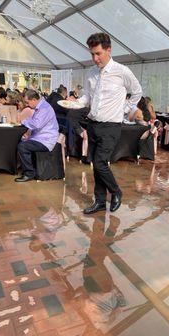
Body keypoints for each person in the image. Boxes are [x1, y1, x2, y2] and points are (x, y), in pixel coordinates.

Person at [71, 32, 142, 214]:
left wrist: (125, 109)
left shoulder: (122, 71)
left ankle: (116, 191)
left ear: (108, 50)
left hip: (111, 126)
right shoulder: (91, 72)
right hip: (93, 124)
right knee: (96, 165)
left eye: (98, 54)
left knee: (101, 162)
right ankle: (100, 201)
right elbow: (87, 95)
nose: (95, 58)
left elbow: (137, 92)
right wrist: (77, 103)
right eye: (92, 54)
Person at [15, 89, 59, 182]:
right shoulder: (40, 107)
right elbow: (34, 122)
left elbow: (36, 124)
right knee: (20, 141)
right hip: (40, 138)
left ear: (34, 100)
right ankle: (23, 168)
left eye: (27, 102)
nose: (26, 105)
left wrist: (23, 121)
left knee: (23, 146)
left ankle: (29, 173)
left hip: (46, 140)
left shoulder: (44, 108)